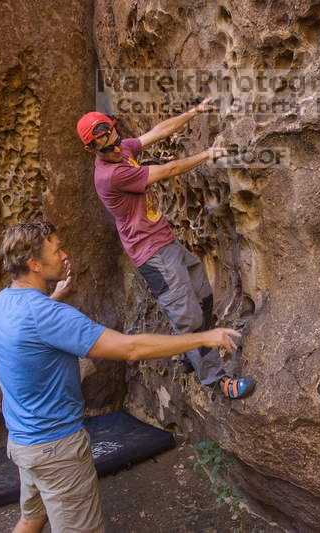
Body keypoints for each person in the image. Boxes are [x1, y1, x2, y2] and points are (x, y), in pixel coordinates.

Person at [0, 221, 241, 533]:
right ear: (34, 264)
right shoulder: (49, 316)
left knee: (31, 519)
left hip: (23, 443)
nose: (65, 254)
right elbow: (130, 348)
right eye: (56, 250)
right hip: (57, 450)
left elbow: (29, 328)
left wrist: (54, 296)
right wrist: (203, 338)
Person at [76, 99, 255, 400]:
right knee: (189, 319)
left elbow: (156, 133)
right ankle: (217, 381)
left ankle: (187, 352)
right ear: (92, 149)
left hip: (165, 243)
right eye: (102, 143)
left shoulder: (123, 151)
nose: (113, 145)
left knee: (204, 294)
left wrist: (194, 112)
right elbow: (168, 170)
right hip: (152, 254)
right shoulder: (110, 175)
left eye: (111, 136)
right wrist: (208, 154)